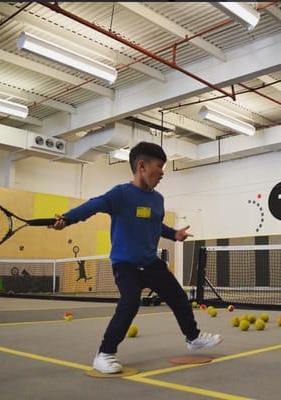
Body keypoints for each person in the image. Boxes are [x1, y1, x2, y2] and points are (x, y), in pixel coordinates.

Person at [50, 141, 222, 374]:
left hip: (150, 262)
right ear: (142, 166)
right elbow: (93, 205)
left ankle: (193, 338)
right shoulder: (121, 195)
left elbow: (155, 224)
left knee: (179, 298)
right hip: (125, 264)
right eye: (159, 166)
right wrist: (68, 219)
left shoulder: (157, 199)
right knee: (129, 304)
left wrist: (174, 234)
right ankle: (104, 354)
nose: (162, 173)